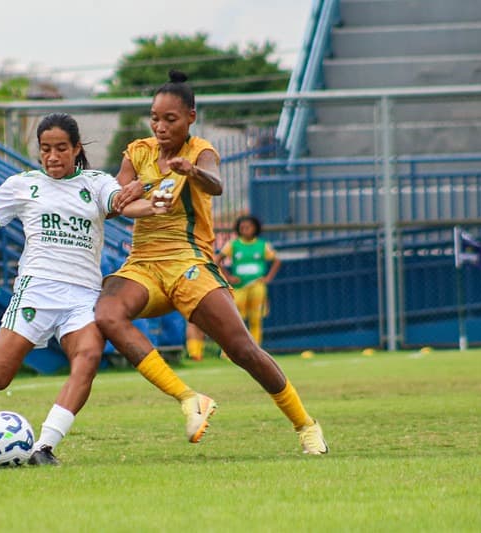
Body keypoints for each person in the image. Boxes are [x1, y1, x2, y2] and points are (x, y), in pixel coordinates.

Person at [0, 113, 178, 466]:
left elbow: (124, 205)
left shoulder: (97, 183)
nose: (53, 157)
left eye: (61, 148)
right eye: (45, 149)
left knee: (88, 358)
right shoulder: (21, 185)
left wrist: (155, 205)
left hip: (82, 296)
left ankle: (44, 447)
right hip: (36, 291)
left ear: (76, 148)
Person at [96, 70, 328, 455]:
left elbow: (215, 183)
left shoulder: (200, 150)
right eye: (155, 118)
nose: (160, 126)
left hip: (189, 262)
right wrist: (131, 190)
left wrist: (191, 171)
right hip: (143, 264)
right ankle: (190, 399)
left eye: (170, 119)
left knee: (242, 350)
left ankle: (306, 425)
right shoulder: (137, 151)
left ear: (191, 117)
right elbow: (115, 202)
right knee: (106, 314)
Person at [217, 214, 281, 347]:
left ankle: (255, 349)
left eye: (248, 227)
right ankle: (231, 349)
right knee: (235, 318)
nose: (245, 230)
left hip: (257, 285)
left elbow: (277, 261)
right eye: (242, 227)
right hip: (239, 287)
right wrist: (228, 277)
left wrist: (268, 278)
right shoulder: (233, 244)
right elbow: (217, 260)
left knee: (256, 318)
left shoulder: (262, 245)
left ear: (255, 228)